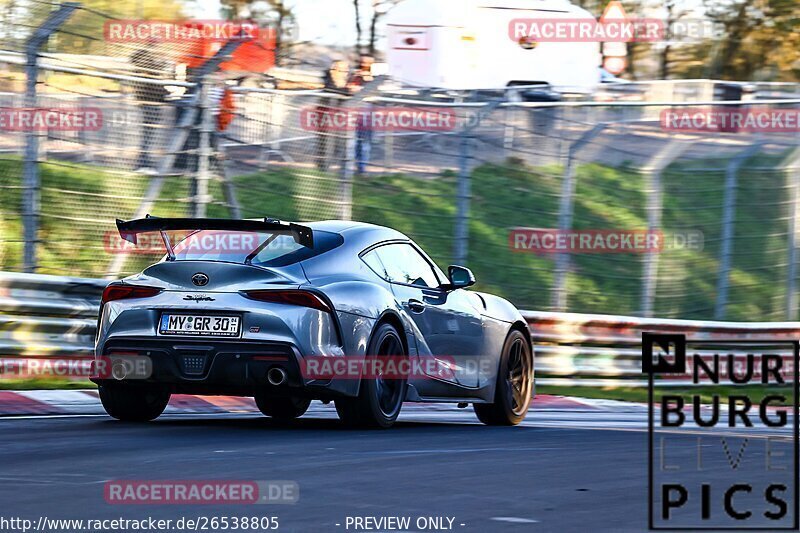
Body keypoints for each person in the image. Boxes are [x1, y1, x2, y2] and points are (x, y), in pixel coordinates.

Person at [130, 46, 170, 173]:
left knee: (148, 136)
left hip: (150, 104)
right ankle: (143, 164)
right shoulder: (145, 72)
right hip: (150, 105)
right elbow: (155, 87)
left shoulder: (145, 71)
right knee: (148, 136)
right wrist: (167, 96)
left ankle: (145, 161)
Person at [315, 59, 350, 171]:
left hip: (338, 116)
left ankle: (331, 165)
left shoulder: (346, 80)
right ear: (333, 69)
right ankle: (322, 167)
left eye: (345, 70)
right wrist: (345, 89)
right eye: (341, 70)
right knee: (324, 141)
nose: (344, 73)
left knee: (337, 142)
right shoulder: (328, 79)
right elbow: (332, 90)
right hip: (325, 115)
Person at [348, 55, 376, 176]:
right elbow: (350, 89)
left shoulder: (376, 77)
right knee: (355, 142)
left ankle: (362, 167)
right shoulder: (355, 75)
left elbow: (375, 92)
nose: (365, 65)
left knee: (366, 143)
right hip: (356, 114)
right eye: (363, 62)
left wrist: (368, 80)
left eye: (368, 63)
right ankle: (353, 166)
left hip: (369, 115)